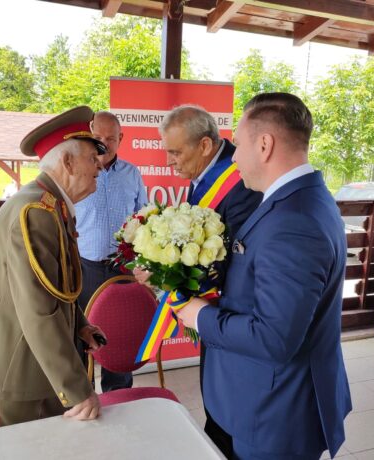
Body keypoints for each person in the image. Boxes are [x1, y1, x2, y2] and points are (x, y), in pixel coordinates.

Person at [176, 93, 352, 459]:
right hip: (255, 397)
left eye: (238, 144)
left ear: (265, 145)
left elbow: (274, 338)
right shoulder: (298, 199)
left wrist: (199, 316)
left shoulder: (293, 221)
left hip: (272, 412)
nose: (233, 157)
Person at [0, 106, 108, 428]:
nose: (100, 166)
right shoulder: (36, 211)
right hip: (12, 372)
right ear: (67, 162)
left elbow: (56, 288)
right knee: (16, 449)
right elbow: (38, 309)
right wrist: (79, 390)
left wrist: (78, 324)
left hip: (32, 365)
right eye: (93, 158)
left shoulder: (49, 204)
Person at [136, 105, 263, 458]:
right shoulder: (206, 176)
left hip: (232, 317)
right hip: (213, 316)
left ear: (205, 145)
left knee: (227, 410)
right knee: (216, 400)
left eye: (176, 152)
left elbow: (232, 264)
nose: (169, 162)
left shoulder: (240, 183)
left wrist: (166, 275)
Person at [74, 110, 148, 392]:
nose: (103, 143)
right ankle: (83, 397)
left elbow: (144, 217)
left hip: (122, 269)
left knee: (119, 335)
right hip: (85, 268)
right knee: (82, 336)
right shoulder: (77, 172)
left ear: (121, 138)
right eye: (98, 137)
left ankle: (119, 397)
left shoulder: (132, 174)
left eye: (111, 138)